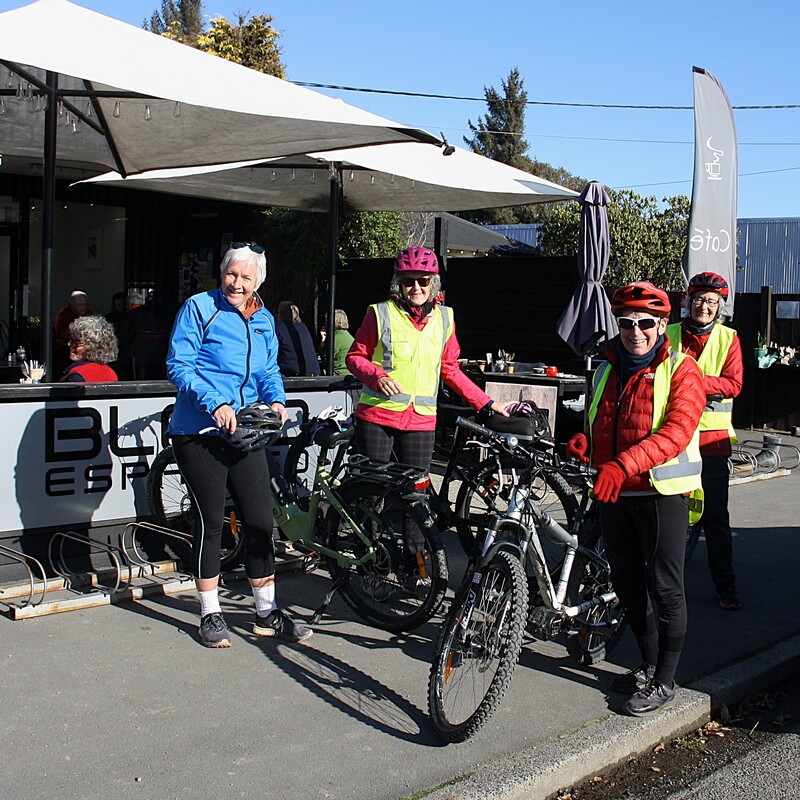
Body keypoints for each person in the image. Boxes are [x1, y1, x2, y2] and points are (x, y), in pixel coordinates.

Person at [566, 281, 705, 716]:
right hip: (615, 490)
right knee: (626, 583)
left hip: (662, 493)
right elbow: (600, 419)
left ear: (663, 325)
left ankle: (665, 679)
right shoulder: (606, 367)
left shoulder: (683, 369)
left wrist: (622, 464)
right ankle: (646, 665)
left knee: (664, 586)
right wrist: (585, 442)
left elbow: (675, 432)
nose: (636, 331)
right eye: (626, 323)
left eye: (646, 323)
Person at [166, 242, 311, 648]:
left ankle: (266, 611)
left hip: (245, 432)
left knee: (261, 522)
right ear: (222, 273)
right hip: (199, 432)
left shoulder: (264, 318)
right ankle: (210, 613)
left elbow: (268, 370)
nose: (237, 283)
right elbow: (179, 365)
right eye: (232, 274)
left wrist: (278, 401)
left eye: (246, 277)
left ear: (257, 282)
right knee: (212, 523)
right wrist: (216, 402)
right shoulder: (199, 308)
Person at [345, 245, 508, 479]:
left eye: (423, 281)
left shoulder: (444, 318)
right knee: (373, 491)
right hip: (377, 416)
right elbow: (354, 357)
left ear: (433, 284)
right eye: (409, 281)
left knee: (415, 497)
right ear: (399, 284)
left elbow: (450, 369)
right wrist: (377, 376)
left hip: (420, 422)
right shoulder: (380, 313)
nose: (416, 288)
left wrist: (487, 403)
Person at [667, 272, 743, 610]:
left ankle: (725, 585)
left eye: (712, 301)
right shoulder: (667, 334)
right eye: (699, 299)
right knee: (670, 515)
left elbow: (733, 384)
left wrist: (691, 379)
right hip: (671, 439)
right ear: (688, 301)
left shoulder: (729, 339)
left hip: (711, 442)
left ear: (719, 307)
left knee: (715, 518)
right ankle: (664, 586)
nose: (704, 306)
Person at [60, 315, 119, 382]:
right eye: (71, 339)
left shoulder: (77, 375)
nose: (69, 344)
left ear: (92, 348)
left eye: (77, 343)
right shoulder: (111, 373)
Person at [118, 291, 162, 380]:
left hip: (132, 357)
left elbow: (122, 337)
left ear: (129, 304)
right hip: (154, 356)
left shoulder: (128, 317)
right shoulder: (153, 316)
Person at [274, 300, 321, 377]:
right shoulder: (303, 327)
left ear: (280, 313)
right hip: (313, 371)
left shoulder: (279, 327)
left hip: (291, 370)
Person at [53, 290, 92, 376]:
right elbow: (60, 334)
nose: (83, 307)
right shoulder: (63, 315)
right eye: (80, 305)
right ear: (72, 304)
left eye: (85, 304)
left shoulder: (88, 314)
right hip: (64, 350)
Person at [321, 308, 355, 376]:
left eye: (327, 320)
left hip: (338, 374)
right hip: (350, 373)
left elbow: (326, 359)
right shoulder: (348, 336)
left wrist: (322, 342)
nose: (325, 323)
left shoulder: (336, 338)